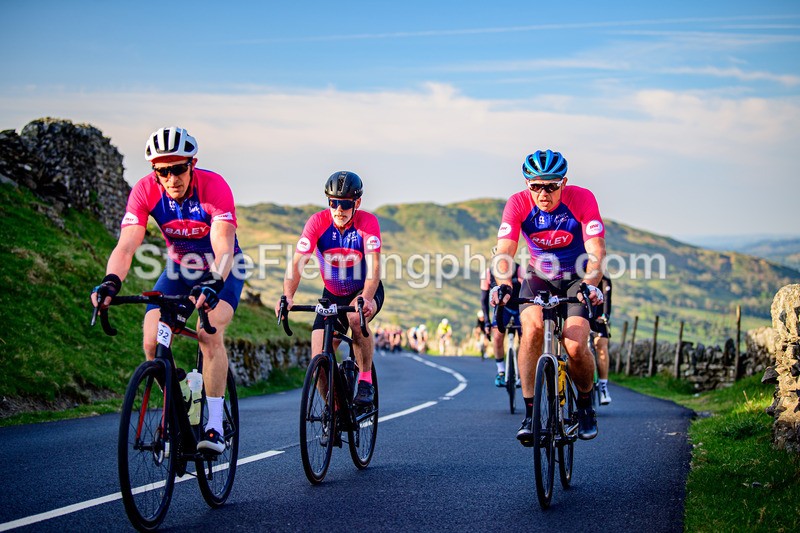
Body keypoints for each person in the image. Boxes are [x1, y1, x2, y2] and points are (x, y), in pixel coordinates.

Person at [91, 126, 244, 454]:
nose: (171, 178)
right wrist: (111, 282)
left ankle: (215, 424)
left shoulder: (213, 187)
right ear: (154, 171)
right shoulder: (145, 190)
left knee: (208, 334)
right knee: (151, 342)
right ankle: (180, 405)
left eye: (178, 168)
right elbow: (127, 245)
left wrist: (214, 279)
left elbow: (223, 243)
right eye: (163, 171)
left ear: (192, 164)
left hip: (222, 270)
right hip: (178, 271)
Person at [491, 149, 605, 443]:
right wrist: (503, 282)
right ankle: (531, 414)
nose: (544, 193)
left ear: (563, 183)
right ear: (527, 184)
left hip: (577, 276)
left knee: (576, 344)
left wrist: (591, 282)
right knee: (531, 331)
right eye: (536, 186)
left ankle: (584, 404)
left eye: (551, 186)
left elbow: (596, 252)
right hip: (539, 276)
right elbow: (504, 250)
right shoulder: (517, 203)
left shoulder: (582, 199)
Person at [276, 171, 384, 407]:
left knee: (356, 318)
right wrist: (287, 296)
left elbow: (374, 268)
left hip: (364, 288)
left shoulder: (367, 223)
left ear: (357, 203)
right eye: (333, 202)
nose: (338, 209)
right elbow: (297, 263)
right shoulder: (317, 223)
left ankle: (365, 380)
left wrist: (366, 298)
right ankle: (333, 411)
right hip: (332, 294)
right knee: (319, 356)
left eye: (345, 204)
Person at [481, 254, 524, 386]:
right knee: (498, 337)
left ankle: (523, 373)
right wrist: (487, 323)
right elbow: (483, 300)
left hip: (519, 306)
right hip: (503, 308)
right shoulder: (488, 273)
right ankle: (501, 372)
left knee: (525, 340)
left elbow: (526, 290)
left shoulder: (518, 269)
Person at [590, 275, 613, 404]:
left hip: (598, 315)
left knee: (601, 345)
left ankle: (604, 387)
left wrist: (604, 316)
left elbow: (607, 299)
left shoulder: (604, 279)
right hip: (582, 314)